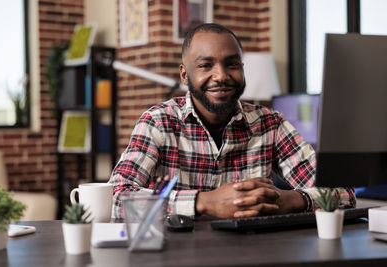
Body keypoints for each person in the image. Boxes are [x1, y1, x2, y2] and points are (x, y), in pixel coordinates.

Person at [110, 23, 356, 219]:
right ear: (185, 74)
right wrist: (203, 202)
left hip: (257, 254)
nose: (221, 76)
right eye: (206, 65)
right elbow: (116, 197)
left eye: (232, 64)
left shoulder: (270, 123)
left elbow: (343, 193)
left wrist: (289, 200)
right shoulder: (158, 122)